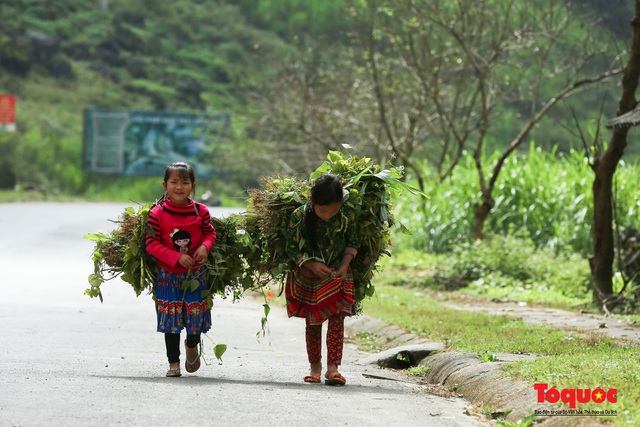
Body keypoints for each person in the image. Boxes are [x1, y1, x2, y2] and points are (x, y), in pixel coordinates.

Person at [284, 173, 360, 386]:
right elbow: (290, 247)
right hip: (310, 276)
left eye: (333, 210)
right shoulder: (299, 216)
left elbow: (353, 242)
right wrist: (310, 264)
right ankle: (315, 368)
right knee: (313, 321)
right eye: (323, 210)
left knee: (337, 320)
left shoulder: (347, 215)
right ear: (311, 201)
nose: (328, 215)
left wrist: (344, 267)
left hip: (338, 274)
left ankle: (333, 369)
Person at [145, 161, 216, 377]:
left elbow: (210, 233)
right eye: (174, 182)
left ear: (193, 186)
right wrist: (176, 257)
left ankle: (192, 345)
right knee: (171, 321)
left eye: (185, 183)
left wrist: (205, 247)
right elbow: (151, 243)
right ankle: (173, 362)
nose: (179, 187)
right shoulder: (157, 213)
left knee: (194, 319)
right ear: (165, 185)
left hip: (196, 274)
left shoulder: (200, 210)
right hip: (169, 276)